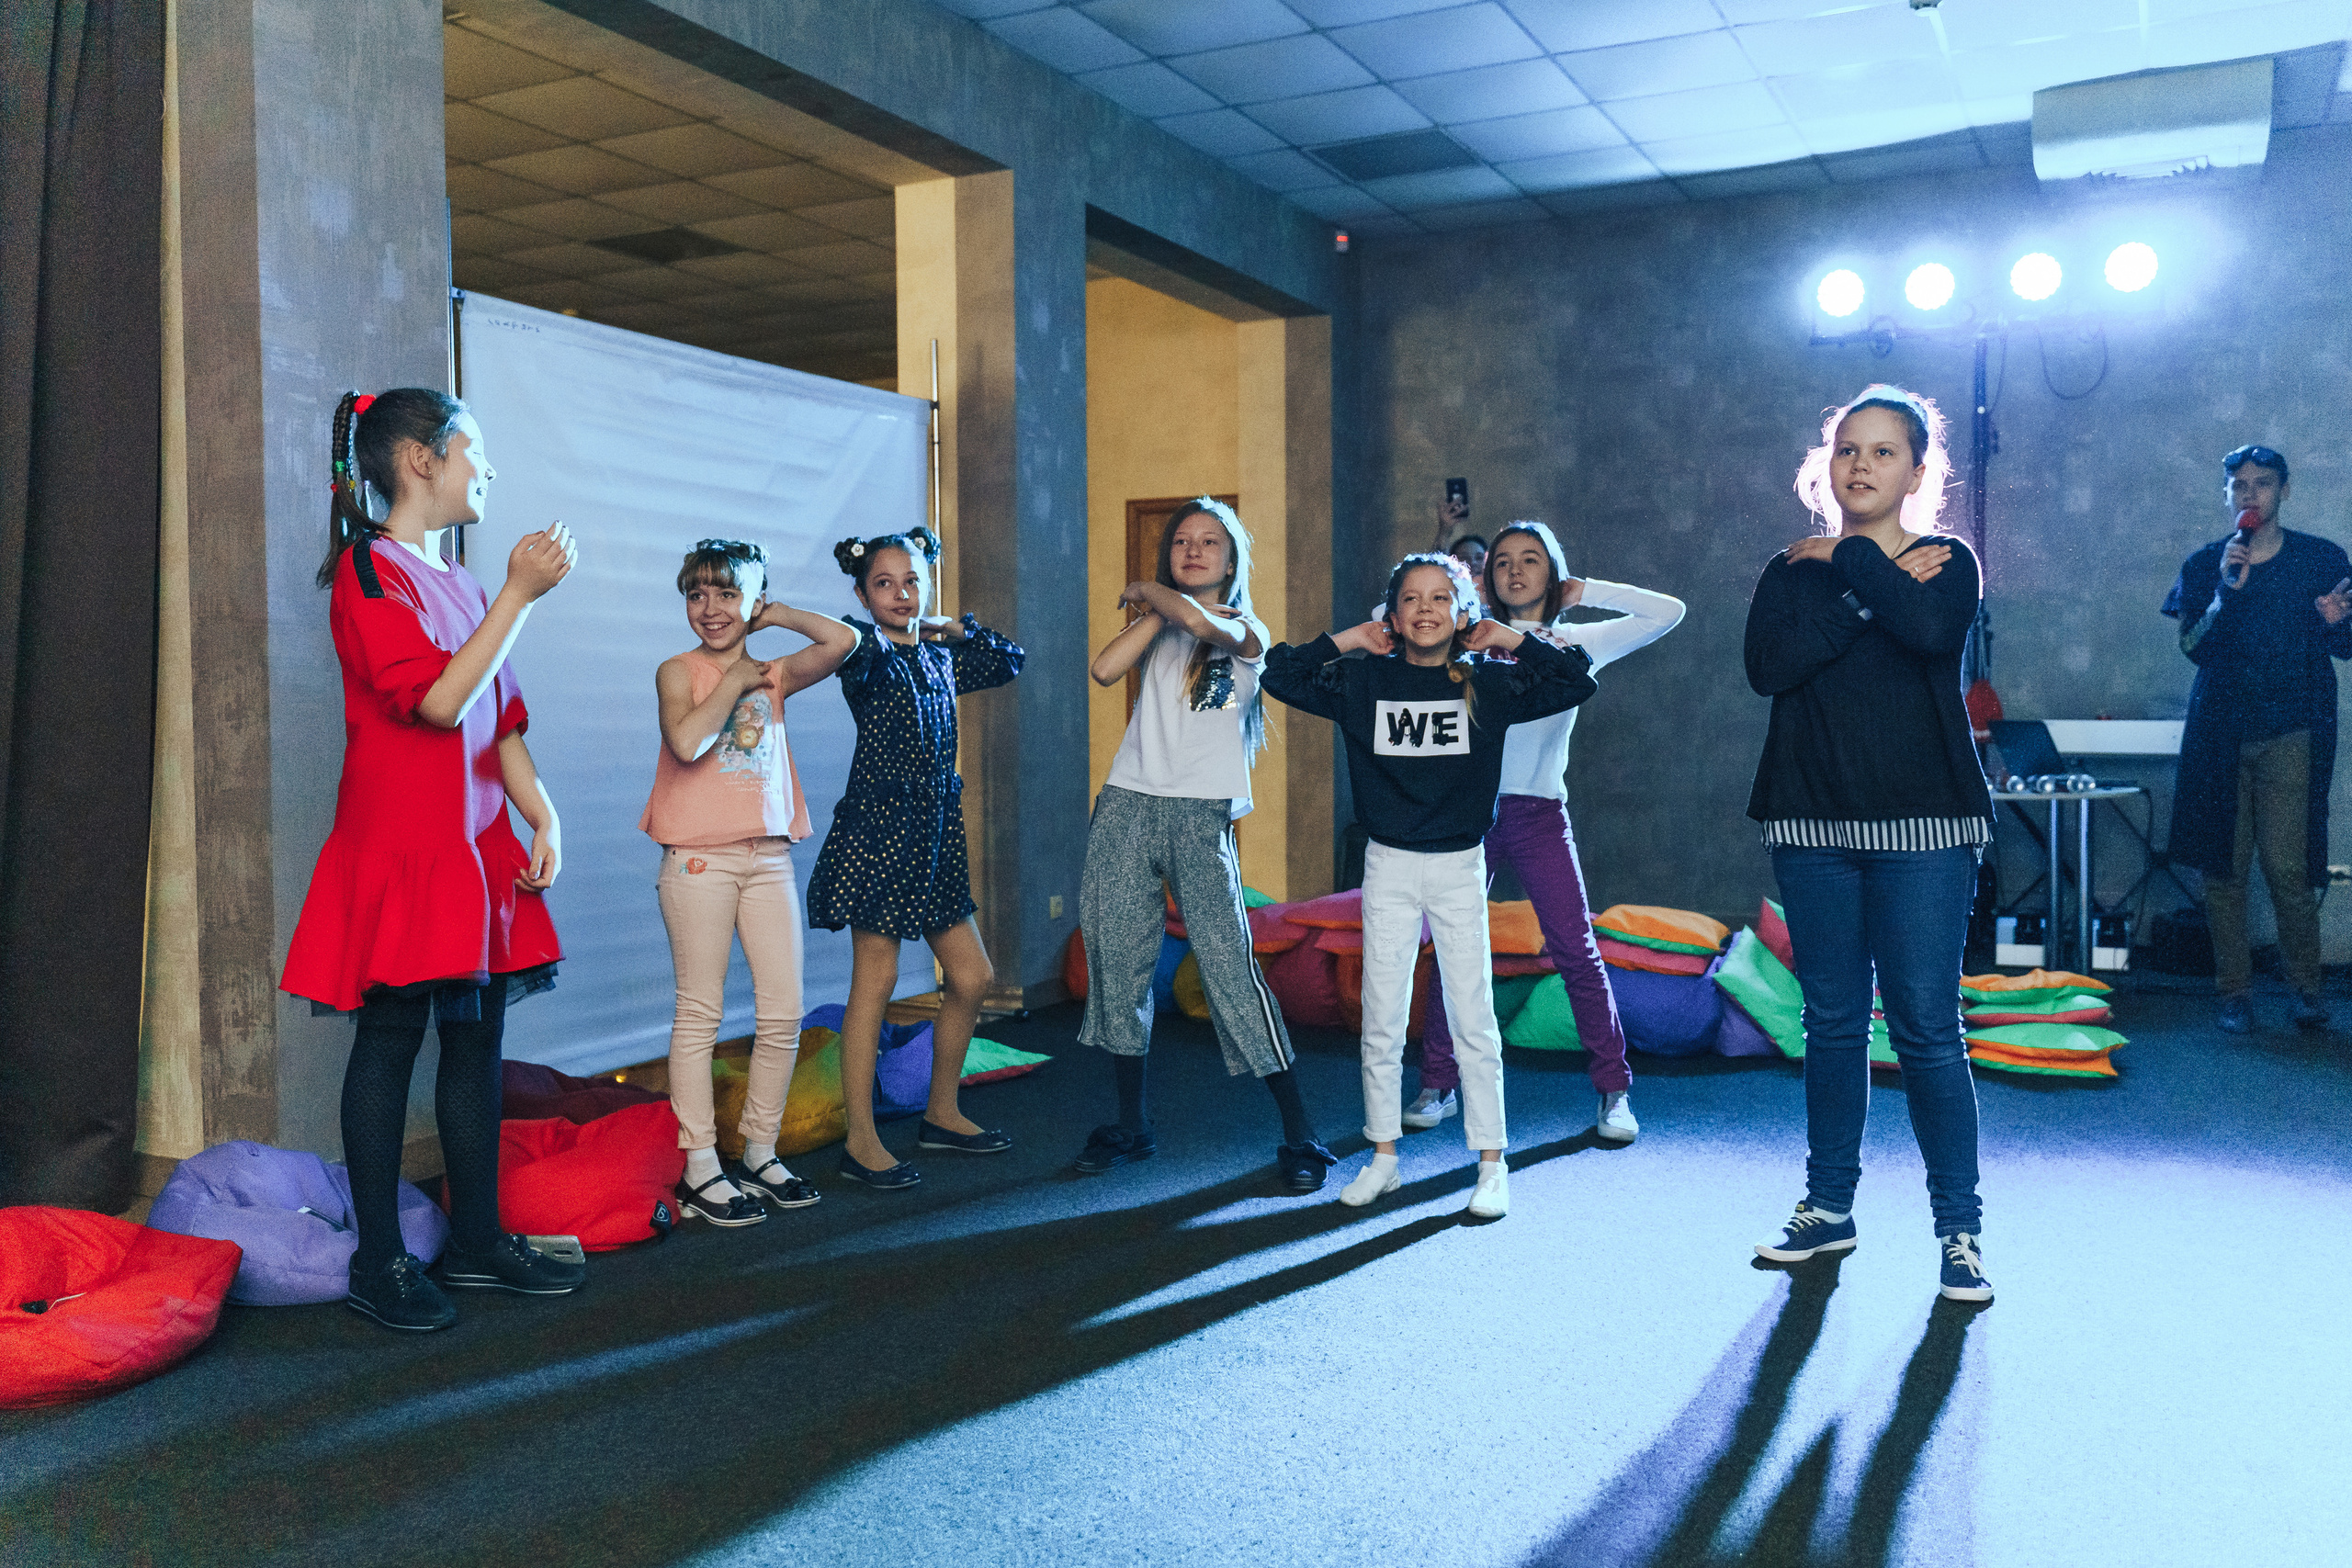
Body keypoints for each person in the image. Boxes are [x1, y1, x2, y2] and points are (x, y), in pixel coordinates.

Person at [281, 388, 585, 1332]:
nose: (487, 471)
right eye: (474, 452)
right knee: (390, 1041)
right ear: (421, 460)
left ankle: (482, 1239)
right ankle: (381, 1263)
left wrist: (543, 818)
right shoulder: (372, 574)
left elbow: (500, 721)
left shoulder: (455, 578)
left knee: (478, 1042)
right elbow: (441, 704)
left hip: (475, 853)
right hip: (402, 850)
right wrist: (521, 595)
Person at [1743, 384, 1995, 1304]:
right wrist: (1856, 579)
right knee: (1833, 1026)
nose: (1860, 464)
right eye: (1849, 448)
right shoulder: (1790, 569)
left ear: (1918, 472)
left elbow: (1928, 632)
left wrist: (1849, 558)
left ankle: (1958, 1230)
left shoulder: (1946, 562)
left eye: (1883, 452)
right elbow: (1772, 667)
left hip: (1924, 829)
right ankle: (1827, 1207)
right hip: (1811, 823)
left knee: (1927, 1029)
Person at [1262, 553, 1595, 1219]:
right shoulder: (1364, 682)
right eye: (1410, 598)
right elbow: (1282, 673)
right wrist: (1352, 638)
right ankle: (1383, 1156)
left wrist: (1507, 637)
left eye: (1441, 597)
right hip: (1387, 863)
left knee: (1472, 1014)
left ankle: (1491, 1162)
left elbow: (1574, 678)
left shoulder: (1488, 685)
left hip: (1457, 864)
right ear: (1393, 613)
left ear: (1461, 612)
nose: (1424, 609)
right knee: (1382, 1015)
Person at [1072, 499, 1337, 1192]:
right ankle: (1132, 1124)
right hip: (1128, 805)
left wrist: (1152, 593)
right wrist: (1153, 608)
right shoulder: (1160, 624)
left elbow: (1202, 622)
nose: (1194, 549)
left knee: (1229, 966)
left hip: (1199, 816)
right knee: (1118, 963)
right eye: (1182, 541)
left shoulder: (1247, 629)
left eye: (1209, 541)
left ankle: (1301, 1133)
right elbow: (1104, 670)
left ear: (1231, 558)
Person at [1408, 522, 1683, 1145]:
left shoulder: (1576, 639)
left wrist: (1586, 589)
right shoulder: (1467, 636)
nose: (1514, 570)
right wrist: (1457, 586)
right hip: (1468, 813)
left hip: (1538, 814)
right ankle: (1437, 1081)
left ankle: (1614, 1092)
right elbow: (1390, 614)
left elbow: (1670, 611)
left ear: (1552, 572)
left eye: (1531, 560)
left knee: (1576, 949)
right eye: (1502, 561)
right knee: (1453, 948)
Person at [644, 539, 856, 1227]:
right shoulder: (677, 672)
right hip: (699, 862)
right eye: (698, 594)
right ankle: (700, 1164)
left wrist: (778, 614)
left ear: (753, 599)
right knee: (700, 1012)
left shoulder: (775, 672)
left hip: (767, 857)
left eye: (728, 594)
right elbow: (687, 744)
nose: (711, 609)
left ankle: (760, 1150)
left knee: (783, 1011)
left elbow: (844, 639)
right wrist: (735, 680)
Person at [805, 527, 1023, 1189]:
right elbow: (839, 636)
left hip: (935, 835)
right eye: (883, 583)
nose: (900, 594)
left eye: (911, 582)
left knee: (972, 974)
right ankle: (861, 1140)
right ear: (861, 593)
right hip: (881, 831)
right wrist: (777, 612)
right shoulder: (866, 654)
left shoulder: (939, 655)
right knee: (875, 980)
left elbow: (1009, 658)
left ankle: (941, 1111)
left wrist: (948, 626)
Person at [2162, 445, 2352, 1034]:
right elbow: (2194, 649)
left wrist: (2336, 622)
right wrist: (2226, 593)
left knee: (2288, 868)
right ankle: (2234, 995)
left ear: (2284, 491)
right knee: (2223, 870)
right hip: (2221, 733)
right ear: (2228, 495)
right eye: (2239, 485)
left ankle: (2306, 992)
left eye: (2262, 484)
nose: (2250, 495)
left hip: (2291, 729)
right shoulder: (2205, 565)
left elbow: (2345, 648)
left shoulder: (2322, 559)